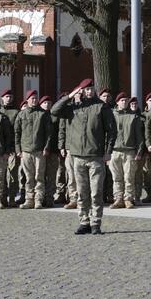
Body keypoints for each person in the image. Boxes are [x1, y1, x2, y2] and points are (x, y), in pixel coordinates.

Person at [51, 79, 116, 235]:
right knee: (81, 192)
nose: (88, 92)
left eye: (90, 89)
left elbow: (112, 131)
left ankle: (95, 223)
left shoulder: (101, 107)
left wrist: (108, 151)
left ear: (94, 90)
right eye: (85, 89)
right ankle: (84, 222)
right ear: (81, 91)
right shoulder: (73, 108)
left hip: (96, 156)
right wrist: (71, 95)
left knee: (96, 192)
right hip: (77, 156)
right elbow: (54, 110)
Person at [15, 89, 52, 209]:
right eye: (32, 98)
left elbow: (49, 133)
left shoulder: (43, 114)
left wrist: (46, 147)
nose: (34, 100)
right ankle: (29, 199)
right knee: (28, 177)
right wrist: (18, 149)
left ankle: (38, 200)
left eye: (36, 98)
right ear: (27, 100)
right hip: (25, 151)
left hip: (39, 151)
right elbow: (17, 133)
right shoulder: (21, 114)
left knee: (39, 177)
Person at [109, 92, 144, 209]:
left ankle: (128, 199)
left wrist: (139, 151)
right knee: (116, 177)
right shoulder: (111, 115)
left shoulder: (134, 116)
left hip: (130, 151)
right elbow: (106, 135)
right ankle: (118, 199)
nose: (124, 102)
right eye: (122, 100)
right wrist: (106, 152)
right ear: (117, 102)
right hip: (114, 151)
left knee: (129, 177)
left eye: (126, 100)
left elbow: (139, 136)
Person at [58, 91, 79, 210]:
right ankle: (73, 198)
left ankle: (82, 198)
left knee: (81, 175)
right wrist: (61, 146)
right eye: (75, 95)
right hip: (69, 148)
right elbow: (62, 130)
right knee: (71, 176)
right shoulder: (67, 112)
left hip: (81, 148)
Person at [1, 89, 20, 207]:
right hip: (0, 149)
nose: (8, 98)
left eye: (10, 97)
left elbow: (18, 131)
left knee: (13, 174)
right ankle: (2, 197)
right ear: (2, 98)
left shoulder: (16, 112)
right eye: (6, 96)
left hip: (12, 148)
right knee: (1, 174)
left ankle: (12, 197)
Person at [40, 95, 60, 207]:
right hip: (40, 151)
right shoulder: (38, 116)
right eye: (44, 103)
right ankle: (40, 197)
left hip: (52, 150)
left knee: (51, 176)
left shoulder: (55, 117)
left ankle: (49, 198)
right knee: (40, 176)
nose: (47, 105)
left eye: (49, 103)